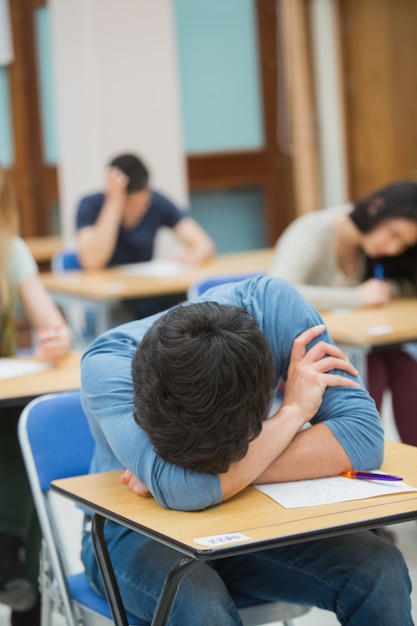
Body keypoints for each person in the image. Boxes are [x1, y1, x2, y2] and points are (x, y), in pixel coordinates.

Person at [80, 275, 413, 625]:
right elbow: (184, 490)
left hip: (245, 518)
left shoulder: (275, 309)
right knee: (198, 602)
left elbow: (361, 438)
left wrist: (206, 480)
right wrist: (292, 414)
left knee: (380, 569)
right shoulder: (109, 364)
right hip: (130, 532)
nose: (216, 469)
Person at [270, 181, 417, 446]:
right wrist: (358, 296)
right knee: (370, 368)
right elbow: (278, 291)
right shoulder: (312, 233)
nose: (394, 248)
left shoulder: (374, 247)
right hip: (288, 359)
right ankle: (356, 452)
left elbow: (403, 286)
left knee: (405, 365)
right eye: (393, 234)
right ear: (375, 208)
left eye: (403, 244)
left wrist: (383, 290)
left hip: (343, 347)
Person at [0, 166, 72, 626]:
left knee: (32, 427)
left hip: (8, 390)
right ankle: (11, 555)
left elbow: (51, 323)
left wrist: (58, 339)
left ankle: (10, 558)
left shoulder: (10, 249)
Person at [75, 152, 215, 319]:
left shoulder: (156, 202)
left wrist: (194, 255)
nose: (139, 210)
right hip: (110, 303)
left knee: (188, 314)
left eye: (143, 203)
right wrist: (114, 202)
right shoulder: (90, 205)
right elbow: (92, 262)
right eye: (131, 205)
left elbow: (204, 244)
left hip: (146, 295)